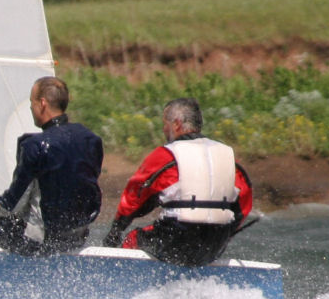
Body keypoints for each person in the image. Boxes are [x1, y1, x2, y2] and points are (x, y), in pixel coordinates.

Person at [0, 76, 104, 255]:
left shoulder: (35, 146)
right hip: (75, 238)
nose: (31, 108)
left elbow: (13, 203)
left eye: (32, 102)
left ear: (42, 103)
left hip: (39, 241)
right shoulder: (91, 140)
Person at [102, 97, 253, 267]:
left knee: (133, 239)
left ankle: (121, 283)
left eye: (165, 123)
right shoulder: (229, 157)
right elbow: (244, 203)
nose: (163, 129)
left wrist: (116, 230)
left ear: (177, 124)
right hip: (217, 241)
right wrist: (225, 231)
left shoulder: (166, 155)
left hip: (178, 238)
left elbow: (134, 197)